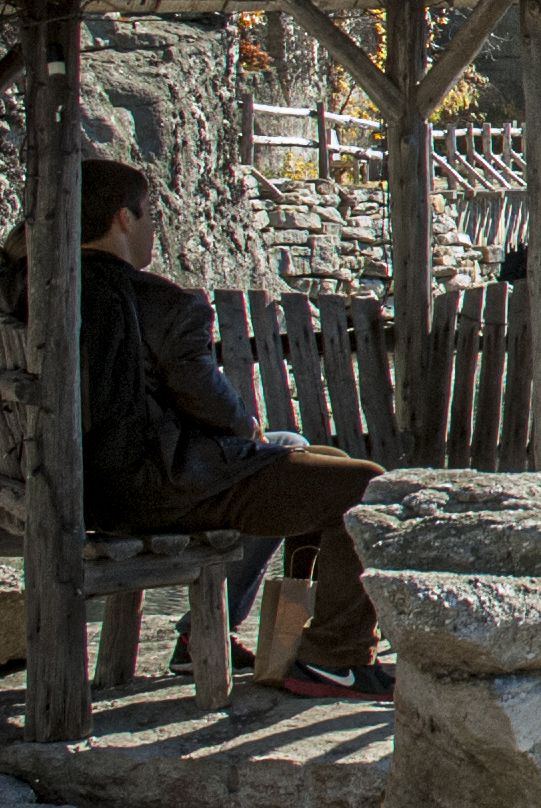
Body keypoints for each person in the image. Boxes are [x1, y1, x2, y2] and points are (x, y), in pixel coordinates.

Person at [25, 157, 394, 699]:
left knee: (302, 456)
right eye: (149, 214)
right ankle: (333, 656)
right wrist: (247, 427)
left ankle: (231, 637)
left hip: (73, 484)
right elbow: (216, 411)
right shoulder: (160, 304)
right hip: (150, 488)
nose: (153, 226)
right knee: (367, 487)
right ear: (123, 219)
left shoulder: (34, 289)